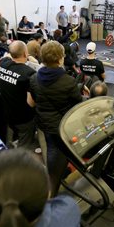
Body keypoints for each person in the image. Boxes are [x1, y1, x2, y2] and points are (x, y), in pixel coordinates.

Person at [28, 41, 83, 195]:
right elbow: (77, 104)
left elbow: (33, 100)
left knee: (52, 148)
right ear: (60, 59)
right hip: (63, 125)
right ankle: (54, 182)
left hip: (44, 123)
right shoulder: (69, 81)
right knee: (60, 151)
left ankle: (56, 172)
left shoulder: (33, 78)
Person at [0, 41, 37, 148]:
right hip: (24, 118)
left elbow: (7, 56)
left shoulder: (3, 64)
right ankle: (20, 162)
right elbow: (31, 103)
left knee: (10, 141)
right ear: (25, 53)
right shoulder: (29, 73)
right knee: (24, 146)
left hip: (8, 112)